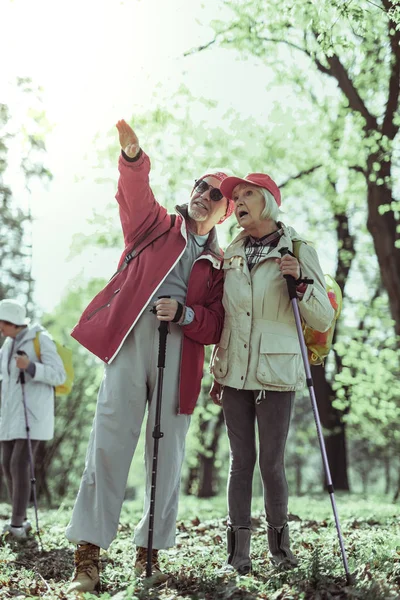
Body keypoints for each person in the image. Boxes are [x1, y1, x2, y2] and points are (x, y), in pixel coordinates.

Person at [65, 119, 234, 593]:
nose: (204, 194)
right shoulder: (158, 223)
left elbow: (217, 322)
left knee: (168, 453)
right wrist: (134, 157)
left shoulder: (221, 264)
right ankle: (87, 556)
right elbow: (134, 193)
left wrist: (185, 313)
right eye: (201, 185)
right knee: (109, 441)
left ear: (224, 212)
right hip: (130, 341)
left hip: (181, 357)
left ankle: (150, 553)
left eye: (215, 194)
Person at [210, 173, 334, 574]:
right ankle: (238, 556)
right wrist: (218, 369)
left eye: (248, 194)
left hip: (276, 372)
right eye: (236, 196)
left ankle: (280, 551)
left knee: (271, 465)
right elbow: (227, 316)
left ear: (268, 201)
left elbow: (323, 315)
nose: (239, 201)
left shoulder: (297, 248)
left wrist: (299, 283)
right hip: (233, 373)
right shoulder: (229, 252)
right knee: (239, 462)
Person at [0, 299, 66, 539]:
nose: (0, 328)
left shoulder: (41, 339)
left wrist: (30, 367)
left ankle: (16, 525)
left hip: (33, 417)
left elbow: (59, 375)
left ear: (13, 322)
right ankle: (22, 519)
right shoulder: (7, 345)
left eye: (2, 323)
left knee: (18, 464)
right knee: (7, 464)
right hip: (9, 417)